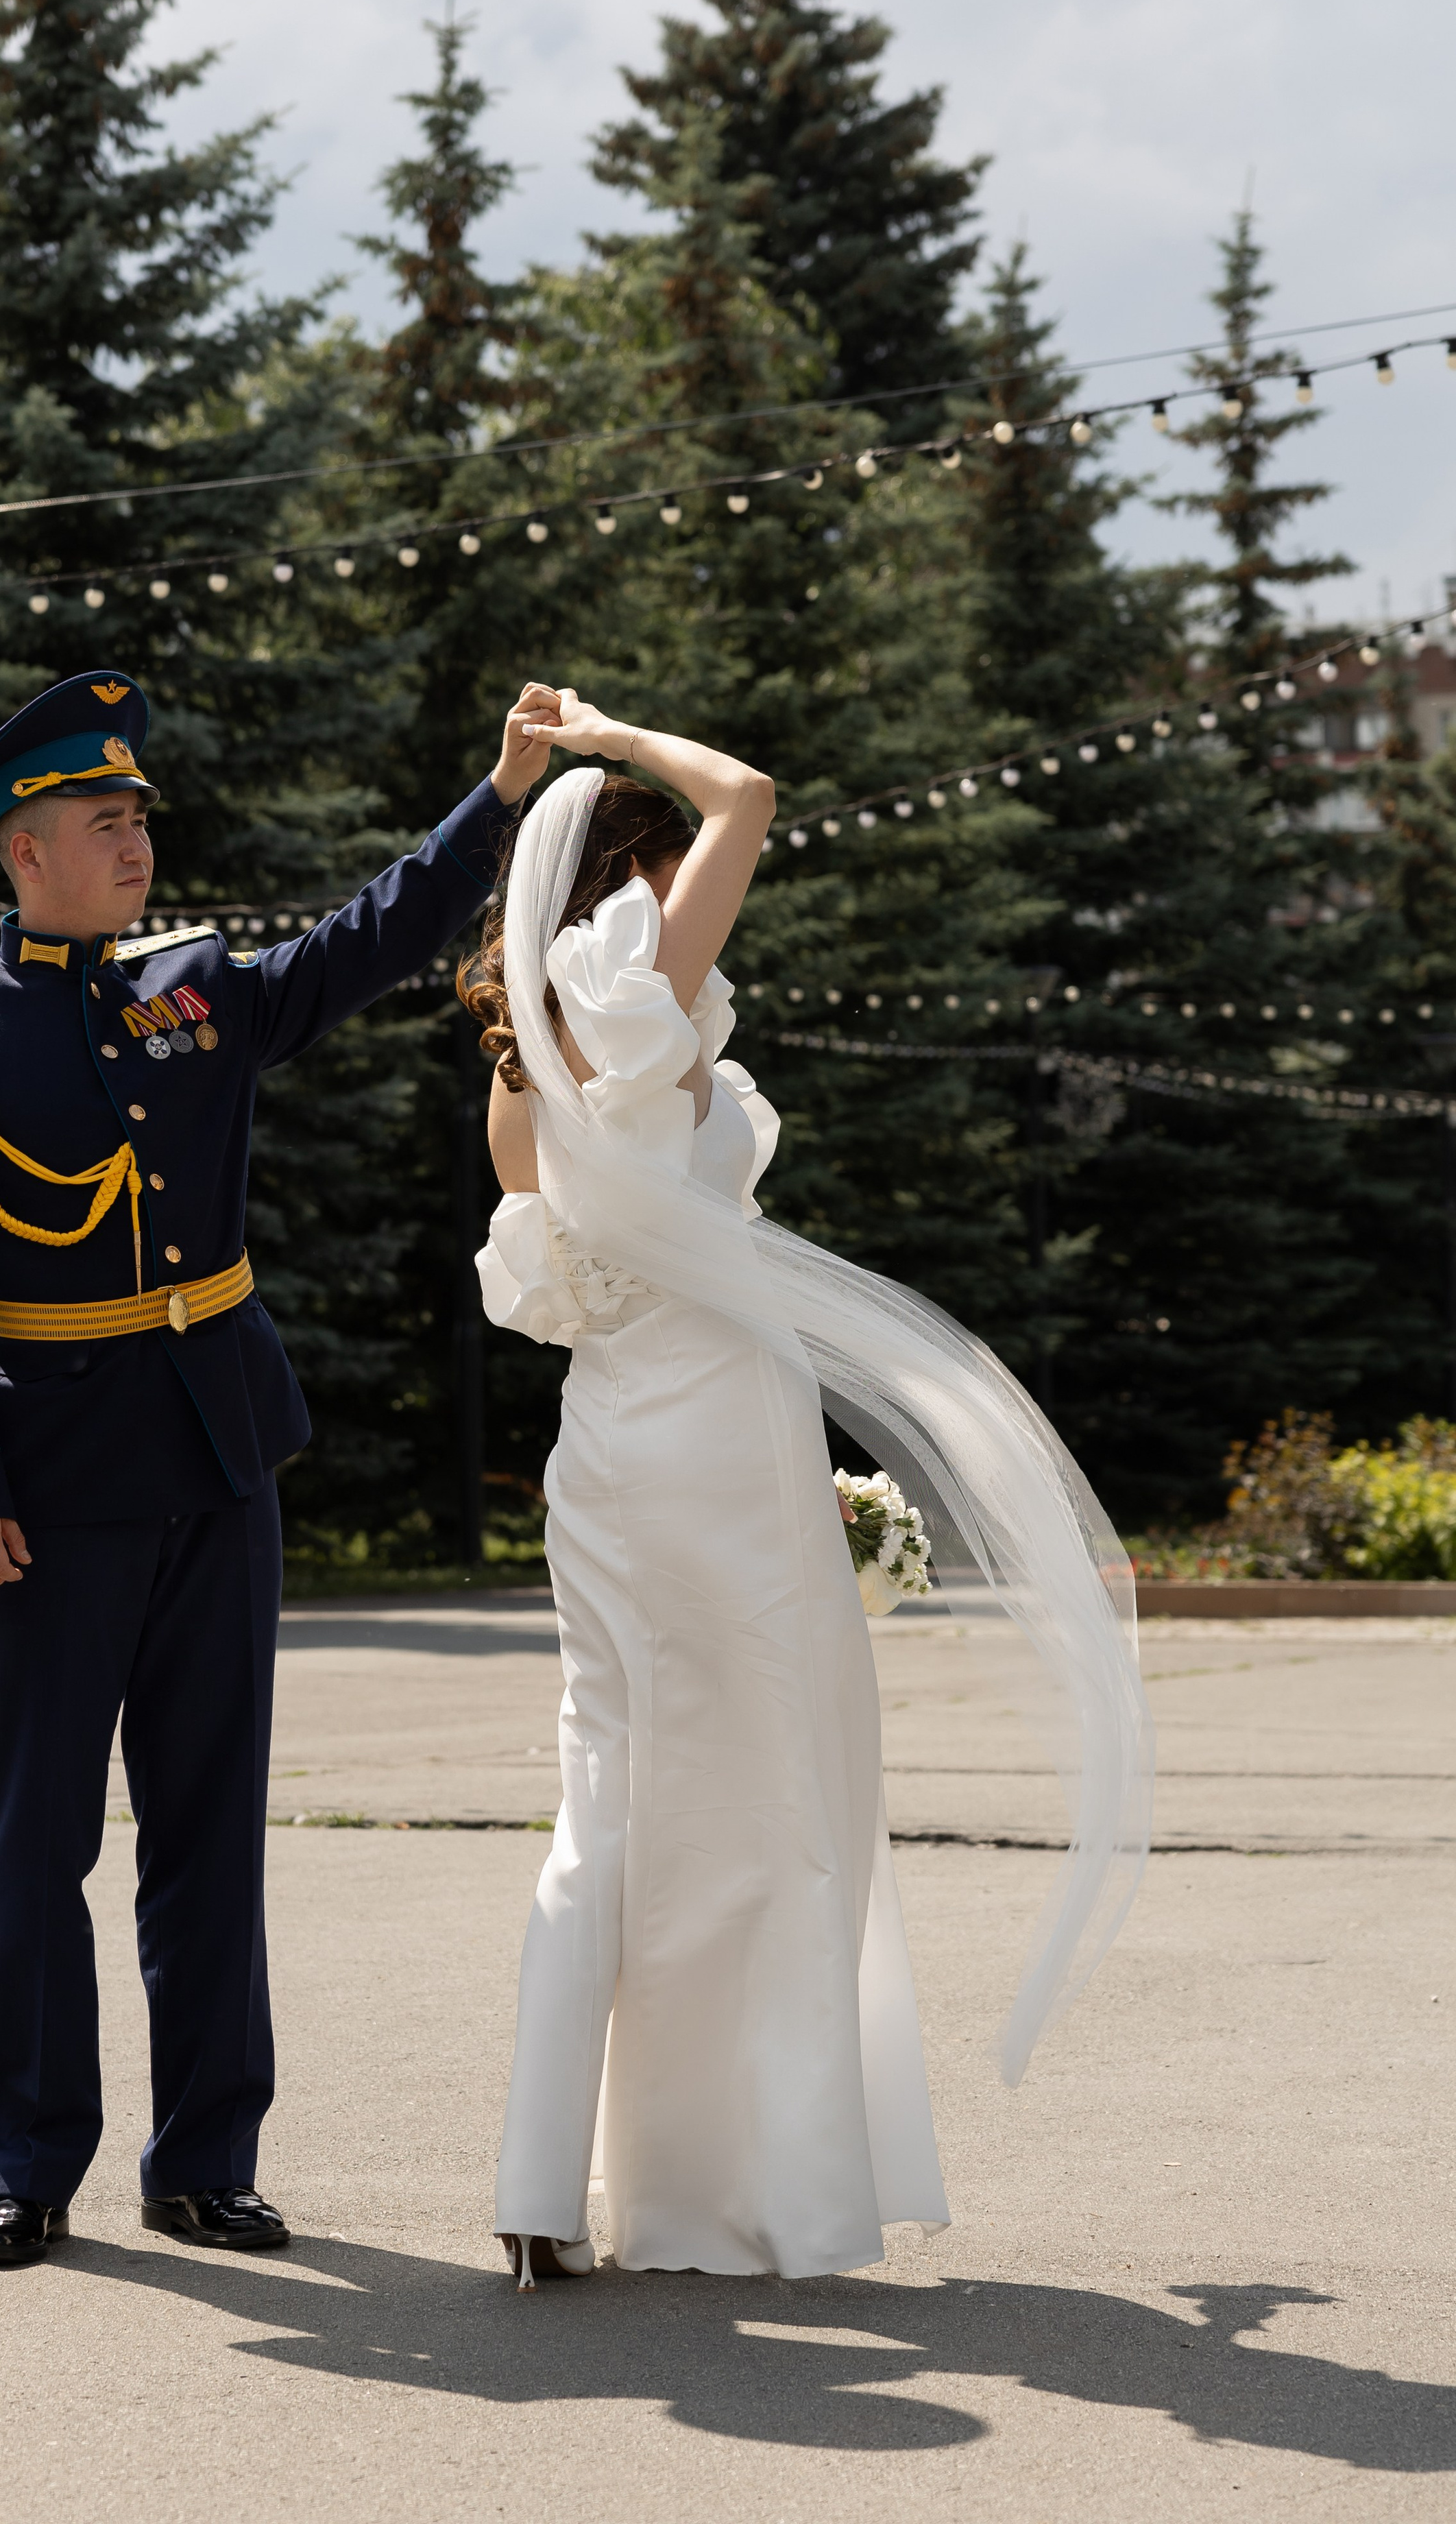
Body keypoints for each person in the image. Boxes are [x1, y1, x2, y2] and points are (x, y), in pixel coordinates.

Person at [0, 667, 554, 2266]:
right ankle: (22, 2163)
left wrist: (497, 797)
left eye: (138, 822)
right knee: (35, 1838)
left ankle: (204, 2156)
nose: (135, 846)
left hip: (221, 1456)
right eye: (102, 824)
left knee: (209, 1827)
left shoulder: (199, 991)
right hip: (39, 1484)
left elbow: (370, 938)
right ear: (22, 849)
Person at [459, 691, 1154, 2290]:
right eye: (643, 875)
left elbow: (560, 1270)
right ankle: (751, 2188)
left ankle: (537, 2183)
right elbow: (750, 792)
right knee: (774, 1802)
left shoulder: (515, 1071)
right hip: (713, 1436)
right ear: (620, 879)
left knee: (607, 1806)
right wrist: (605, 735)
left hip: (602, 1451)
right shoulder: (632, 993)